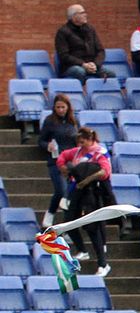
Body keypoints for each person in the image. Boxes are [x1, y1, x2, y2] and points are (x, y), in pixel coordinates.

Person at [56, 126, 114, 277]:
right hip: (77, 192)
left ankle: (103, 264)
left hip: (92, 194)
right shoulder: (77, 152)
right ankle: (82, 250)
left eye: (83, 142)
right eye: (79, 142)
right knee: (69, 221)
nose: (80, 145)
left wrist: (86, 179)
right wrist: (62, 167)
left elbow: (104, 172)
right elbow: (62, 156)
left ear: (90, 140)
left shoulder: (99, 153)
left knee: (92, 227)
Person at [38, 94, 79, 223]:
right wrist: (47, 145)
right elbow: (41, 141)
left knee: (69, 195)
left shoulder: (73, 121)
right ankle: (50, 213)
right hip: (56, 161)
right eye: (58, 107)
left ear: (68, 107)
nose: (60, 110)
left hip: (70, 163)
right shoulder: (50, 121)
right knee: (60, 190)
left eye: (63, 107)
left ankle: (68, 224)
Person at [54, 4, 108, 80]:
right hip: (71, 66)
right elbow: (64, 56)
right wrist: (83, 64)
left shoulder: (90, 29)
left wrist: (95, 64)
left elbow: (100, 50)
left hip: (92, 65)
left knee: (109, 73)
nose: (85, 15)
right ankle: (82, 91)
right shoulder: (63, 32)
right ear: (74, 17)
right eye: (82, 13)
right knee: (80, 71)